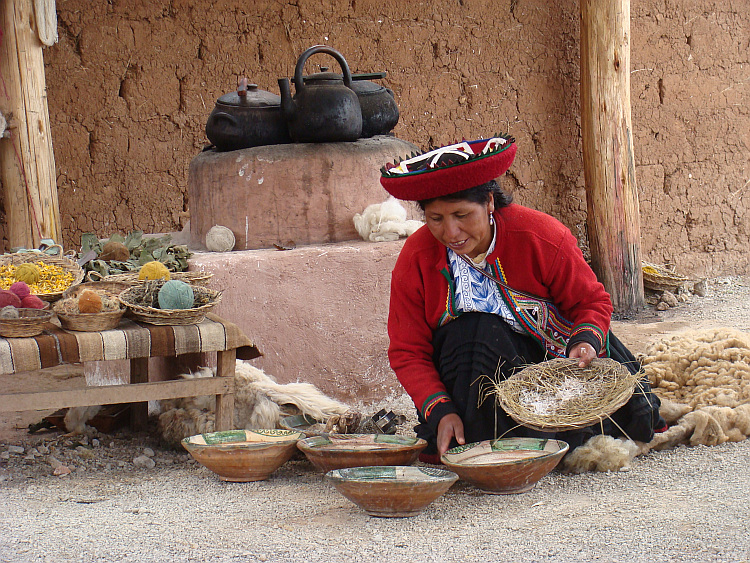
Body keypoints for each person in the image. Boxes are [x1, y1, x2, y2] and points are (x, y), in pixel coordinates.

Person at [380, 135, 665, 463]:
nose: (451, 233)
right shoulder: (416, 258)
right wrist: (440, 410)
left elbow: (591, 303)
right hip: (473, 379)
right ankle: (484, 430)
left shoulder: (540, 236)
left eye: (461, 215)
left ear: (489, 203)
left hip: (553, 362)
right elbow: (408, 350)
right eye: (436, 219)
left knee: (636, 415)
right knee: (475, 328)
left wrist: (584, 342)